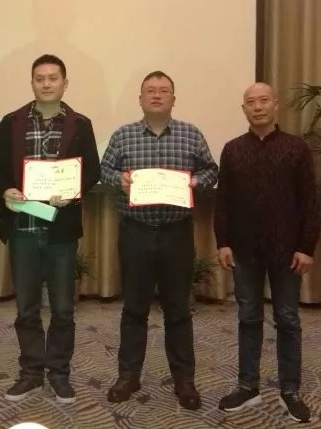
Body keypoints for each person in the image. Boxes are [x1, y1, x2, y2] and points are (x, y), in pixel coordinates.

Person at [100, 71, 218, 410]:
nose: (156, 95)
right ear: (140, 99)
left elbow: (211, 171)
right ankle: (128, 376)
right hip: (135, 232)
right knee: (134, 308)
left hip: (176, 233)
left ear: (173, 99)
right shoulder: (123, 135)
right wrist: (119, 179)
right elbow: (104, 171)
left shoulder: (191, 134)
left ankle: (184, 380)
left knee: (178, 309)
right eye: (150, 91)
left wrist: (194, 182)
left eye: (163, 91)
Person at [0, 54, 100, 404]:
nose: (47, 83)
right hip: (22, 226)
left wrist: (72, 192)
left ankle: (59, 373)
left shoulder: (81, 124)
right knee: (26, 308)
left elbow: (92, 170)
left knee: (63, 308)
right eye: (40, 78)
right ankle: (31, 372)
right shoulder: (12, 121)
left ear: (65, 83)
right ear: (32, 83)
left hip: (60, 231)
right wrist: (5, 189)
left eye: (53, 78)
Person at [214, 82, 321, 423]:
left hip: (287, 252)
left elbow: (310, 202)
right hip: (244, 250)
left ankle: (290, 390)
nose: (257, 107)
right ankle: (248, 387)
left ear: (276, 105)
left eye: (263, 101)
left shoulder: (296, 148)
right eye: (251, 102)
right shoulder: (232, 150)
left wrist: (306, 247)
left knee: (287, 320)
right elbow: (222, 202)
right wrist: (222, 242)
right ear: (243, 109)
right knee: (248, 317)